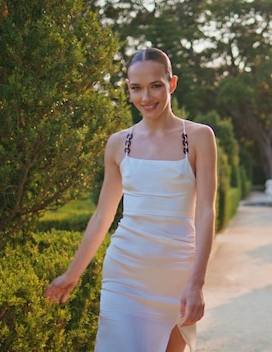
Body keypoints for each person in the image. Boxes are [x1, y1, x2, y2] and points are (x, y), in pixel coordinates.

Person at [44, 47, 218, 352]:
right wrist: (73, 274)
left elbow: (206, 212)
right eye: (136, 88)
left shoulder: (200, 137)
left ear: (172, 83)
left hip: (175, 271)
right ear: (128, 89)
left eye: (156, 86)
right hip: (124, 271)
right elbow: (103, 216)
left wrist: (197, 283)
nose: (146, 97)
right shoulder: (117, 144)